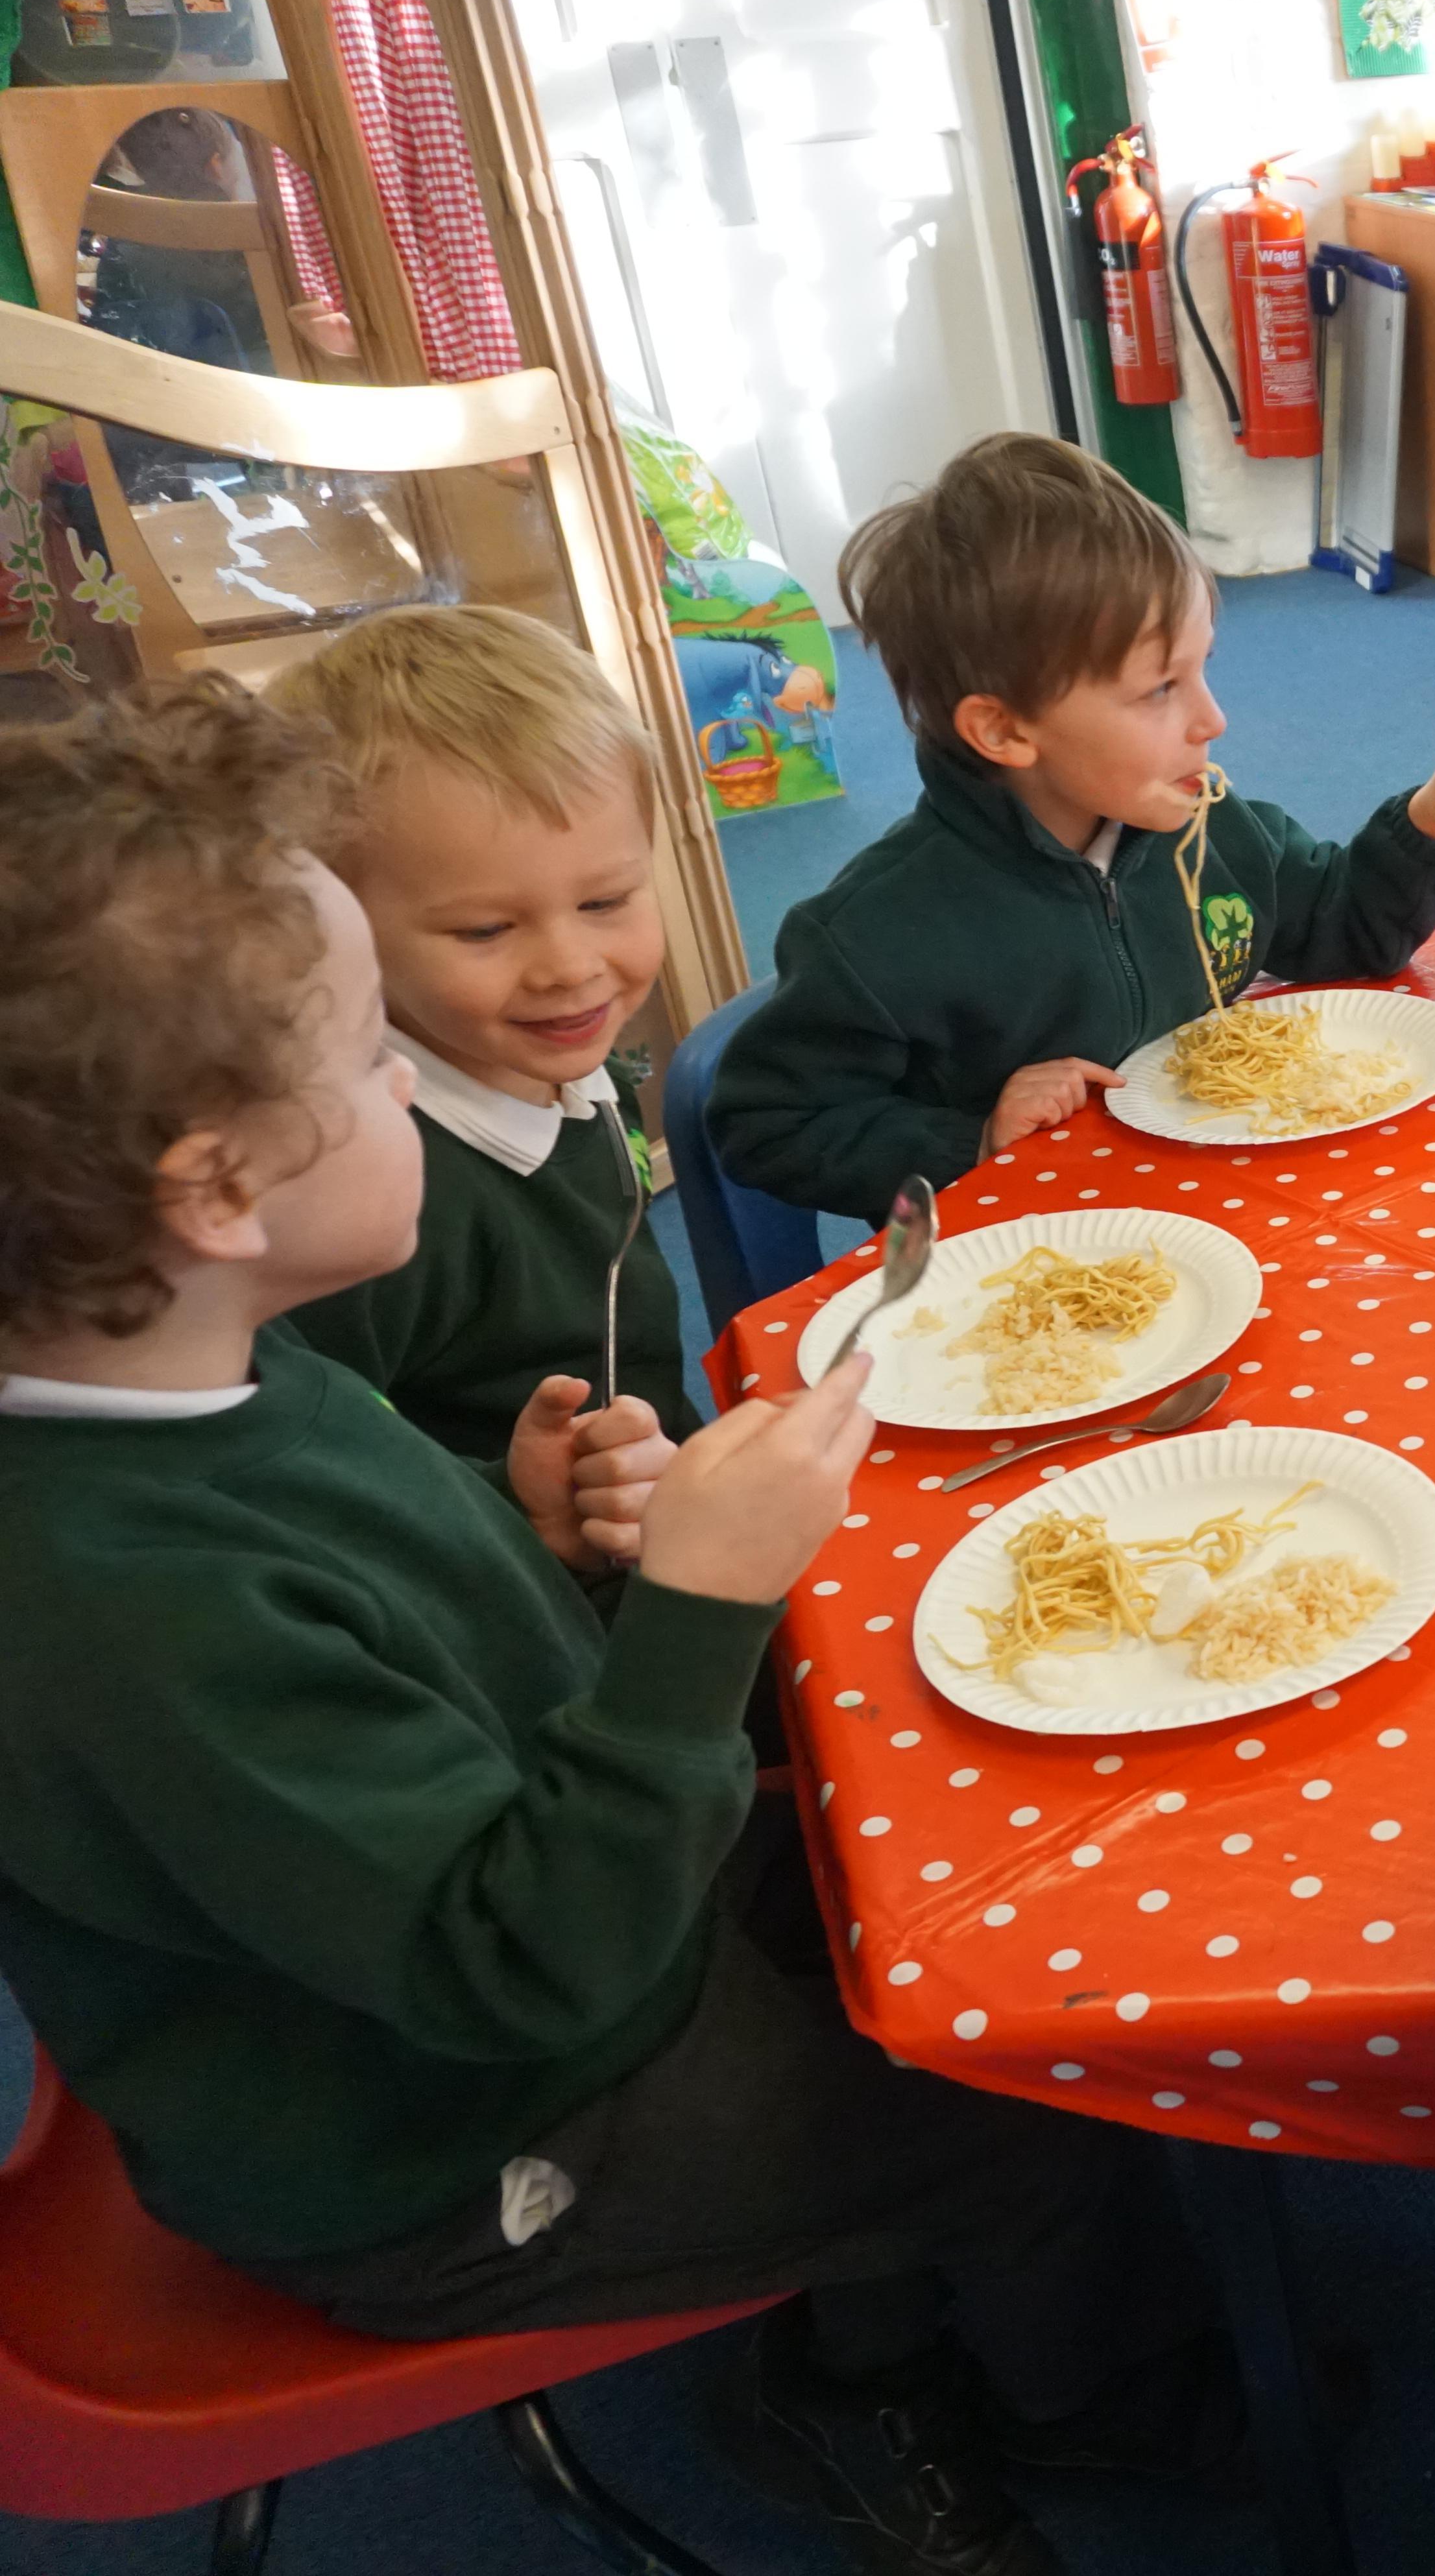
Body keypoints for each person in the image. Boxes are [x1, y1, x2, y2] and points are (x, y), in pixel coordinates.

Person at [0, 680, 1231, 2576]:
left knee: (984, 1899)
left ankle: (875, 2317)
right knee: (1031, 2098)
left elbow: (376, 1636)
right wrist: (698, 1607)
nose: (412, 1085)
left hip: (539, 1891)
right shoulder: (123, 1607)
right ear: (219, 1188)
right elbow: (528, 1968)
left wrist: (515, 1516)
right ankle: (1054, 2402)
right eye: (369, 1055)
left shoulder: (196, 1362)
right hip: (455, 2127)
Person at [709, 431, 1435, 1222]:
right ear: (1004, 730)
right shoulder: (878, 934)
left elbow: (1344, 925)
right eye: (1161, 689)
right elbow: (769, 1123)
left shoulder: (1207, 828)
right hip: (1042, 1262)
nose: (1213, 719)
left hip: (1220, 1212)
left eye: (1202, 668)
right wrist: (973, 1139)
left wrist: (1427, 824)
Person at [278, 608, 689, 1559]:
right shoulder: (368, 1198)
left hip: (662, 1502)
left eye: (605, 900)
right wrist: (518, 1512)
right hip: (539, 1590)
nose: (571, 967)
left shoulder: (572, 1060)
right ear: (339, 926)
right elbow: (309, 1474)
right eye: (485, 930)